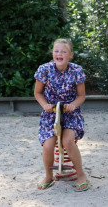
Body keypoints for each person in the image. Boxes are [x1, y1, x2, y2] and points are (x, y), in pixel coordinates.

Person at [34, 38, 89, 191]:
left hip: (71, 113)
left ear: (70, 55)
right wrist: (45, 105)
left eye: (63, 51)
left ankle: (81, 175)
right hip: (50, 112)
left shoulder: (77, 70)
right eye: (56, 51)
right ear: (52, 53)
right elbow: (37, 92)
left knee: (68, 142)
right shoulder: (44, 69)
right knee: (48, 145)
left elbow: (81, 96)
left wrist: (73, 105)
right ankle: (48, 175)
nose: (59, 54)